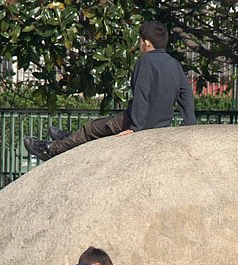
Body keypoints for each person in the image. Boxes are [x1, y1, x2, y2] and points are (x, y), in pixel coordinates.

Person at [24, 20, 196, 161]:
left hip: (139, 121)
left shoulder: (146, 62)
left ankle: (51, 149)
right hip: (162, 123)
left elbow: (141, 95)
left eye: (140, 41)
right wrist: (189, 124)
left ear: (146, 43)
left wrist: (136, 127)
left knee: (91, 128)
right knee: (98, 128)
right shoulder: (174, 64)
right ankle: (69, 138)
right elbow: (186, 93)